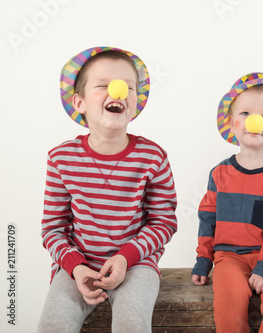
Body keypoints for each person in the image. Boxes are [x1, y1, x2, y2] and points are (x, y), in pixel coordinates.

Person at [38, 46, 178, 333]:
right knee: (53, 326)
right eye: (103, 85)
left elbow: (164, 220)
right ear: (80, 102)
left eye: (127, 87)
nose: (117, 92)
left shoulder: (153, 157)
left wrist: (126, 257)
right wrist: (75, 266)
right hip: (77, 264)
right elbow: (52, 228)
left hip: (136, 264)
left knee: (132, 325)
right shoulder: (61, 158)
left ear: (135, 102)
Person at [191, 73, 263, 332]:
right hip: (229, 257)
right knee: (228, 305)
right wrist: (204, 259)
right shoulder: (219, 174)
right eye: (246, 114)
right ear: (232, 124)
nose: (256, 122)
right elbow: (208, 219)